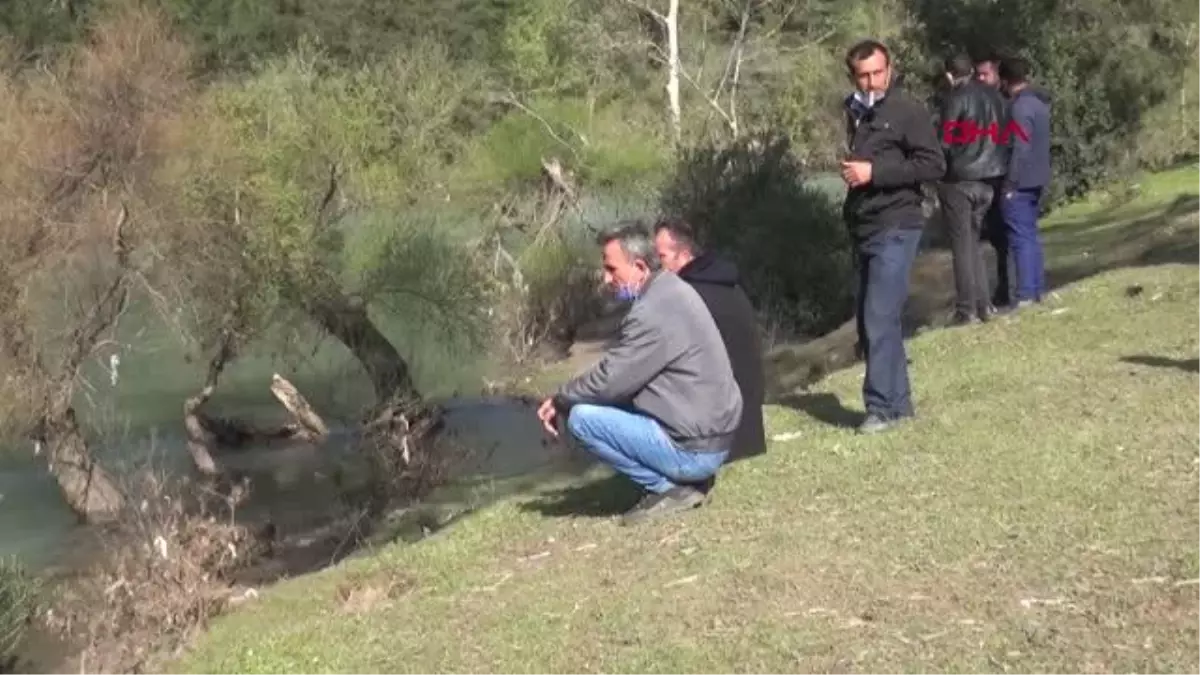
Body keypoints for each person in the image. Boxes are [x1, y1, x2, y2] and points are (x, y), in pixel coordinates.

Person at [537, 220, 743, 525]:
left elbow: (610, 380)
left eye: (612, 269)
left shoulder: (652, 312)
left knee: (582, 419)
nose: (607, 279)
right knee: (600, 402)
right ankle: (683, 478)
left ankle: (671, 488)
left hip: (698, 448)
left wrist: (561, 399)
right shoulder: (671, 289)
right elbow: (618, 372)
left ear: (641, 266)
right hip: (712, 434)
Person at [840, 39, 946, 435]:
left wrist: (874, 173)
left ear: (890, 68)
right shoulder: (855, 112)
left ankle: (881, 408)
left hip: (898, 224)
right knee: (874, 321)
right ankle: (899, 405)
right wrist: (856, 175)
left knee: (878, 314)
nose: (871, 82)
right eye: (862, 75)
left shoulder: (907, 110)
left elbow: (933, 164)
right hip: (866, 224)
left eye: (877, 73)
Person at [652, 217, 766, 463]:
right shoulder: (725, 282)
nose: (656, 267)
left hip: (722, 434)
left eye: (660, 257)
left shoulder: (687, 296)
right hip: (750, 426)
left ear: (682, 254)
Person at [937, 54, 1011, 325]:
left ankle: (967, 309)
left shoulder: (955, 99)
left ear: (949, 75)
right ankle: (985, 305)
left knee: (962, 245)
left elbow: (944, 141)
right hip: (991, 178)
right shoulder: (996, 97)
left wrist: (937, 172)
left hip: (960, 178)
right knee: (974, 242)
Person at [999, 56, 1052, 307]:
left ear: (1005, 80)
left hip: (1022, 181)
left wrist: (1010, 183)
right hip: (1038, 177)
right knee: (1030, 235)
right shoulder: (1039, 104)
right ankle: (1037, 288)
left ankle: (1025, 294)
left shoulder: (1019, 107)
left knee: (1020, 238)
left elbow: (1020, 147)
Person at [972, 51, 1017, 308]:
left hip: (1002, 176)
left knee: (1006, 238)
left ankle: (1008, 288)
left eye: (985, 74)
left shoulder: (1004, 104)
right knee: (992, 238)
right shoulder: (975, 103)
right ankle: (998, 290)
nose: (981, 78)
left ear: (997, 76)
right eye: (977, 74)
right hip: (984, 177)